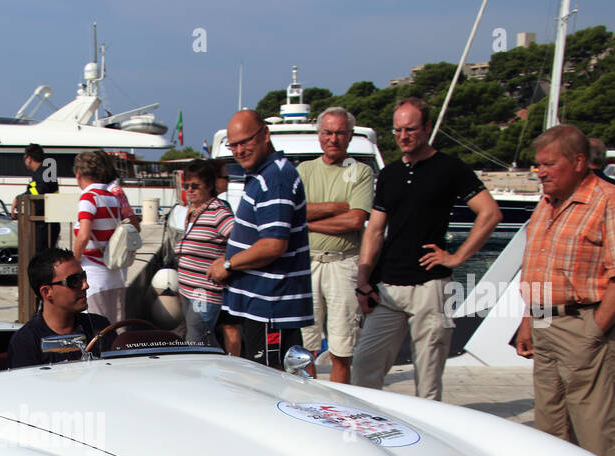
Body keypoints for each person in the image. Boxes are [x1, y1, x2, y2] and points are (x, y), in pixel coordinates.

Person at [351, 97, 501, 400]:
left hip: (432, 287)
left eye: (410, 129)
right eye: (397, 131)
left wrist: (458, 256)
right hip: (387, 287)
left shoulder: (450, 168)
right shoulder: (390, 174)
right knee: (364, 367)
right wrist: (363, 279)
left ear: (427, 127)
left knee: (428, 381)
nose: (403, 137)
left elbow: (490, 213)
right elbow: (375, 231)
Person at [513, 125, 615, 456]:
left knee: (597, 434)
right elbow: (539, 267)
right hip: (546, 324)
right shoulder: (547, 203)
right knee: (550, 432)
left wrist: (594, 332)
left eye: (549, 164)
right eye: (538, 165)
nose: (540, 172)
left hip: (588, 325)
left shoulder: (610, 202)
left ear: (579, 161)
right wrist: (529, 321)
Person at [207, 110, 312, 368]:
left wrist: (229, 264)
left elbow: (273, 244)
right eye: (234, 145)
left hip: (270, 308)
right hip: (263, 305)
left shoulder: (274, 179)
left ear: (265, 134)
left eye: (246, 141)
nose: (239, 150)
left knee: (271, 381)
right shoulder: (264, 175)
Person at [297, 107, 374, 383]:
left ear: (350, 136)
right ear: (319, 135)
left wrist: (310, 220)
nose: (333, 138)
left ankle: (339, 407)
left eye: (340, 133)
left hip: (344, 263)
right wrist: (337, 207)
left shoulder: (362, 172)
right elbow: (297, 212)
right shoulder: (304, 170)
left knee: (342, 348)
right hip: (308, 265)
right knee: (304, 347)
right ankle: (308, 402)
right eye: (328, 132)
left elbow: (355, 220)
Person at [9, 248, 112, 368]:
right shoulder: (26, 341)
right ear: (47, 292)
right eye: (74, 281)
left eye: (84, 277)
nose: (85, 285)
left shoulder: (100, 326)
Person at [175, 159, 234, 345]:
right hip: (187, 288)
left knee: (195, 340)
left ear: (209, 186)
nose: (190, 190)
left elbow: (241, 240)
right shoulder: (193, 211)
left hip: (204, 291)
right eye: (186, 186)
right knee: (204, 338)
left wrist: (226, 262)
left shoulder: (218, 211)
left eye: (195, 186)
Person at [72, 150, 130, 323]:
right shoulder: (112, 198)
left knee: (95, 329)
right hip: (115, 274)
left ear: (78, 174)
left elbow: (83, 235)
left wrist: (73, 264)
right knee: (115, 327)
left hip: (94, 276)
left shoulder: (88, 198)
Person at [22, 144, 60, 252]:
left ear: (29, 158)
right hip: (44, 222)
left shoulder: (46, 170)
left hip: (46, 224)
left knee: (42, 256)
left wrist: (20, 197)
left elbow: (40, 190)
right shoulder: (42, 172)